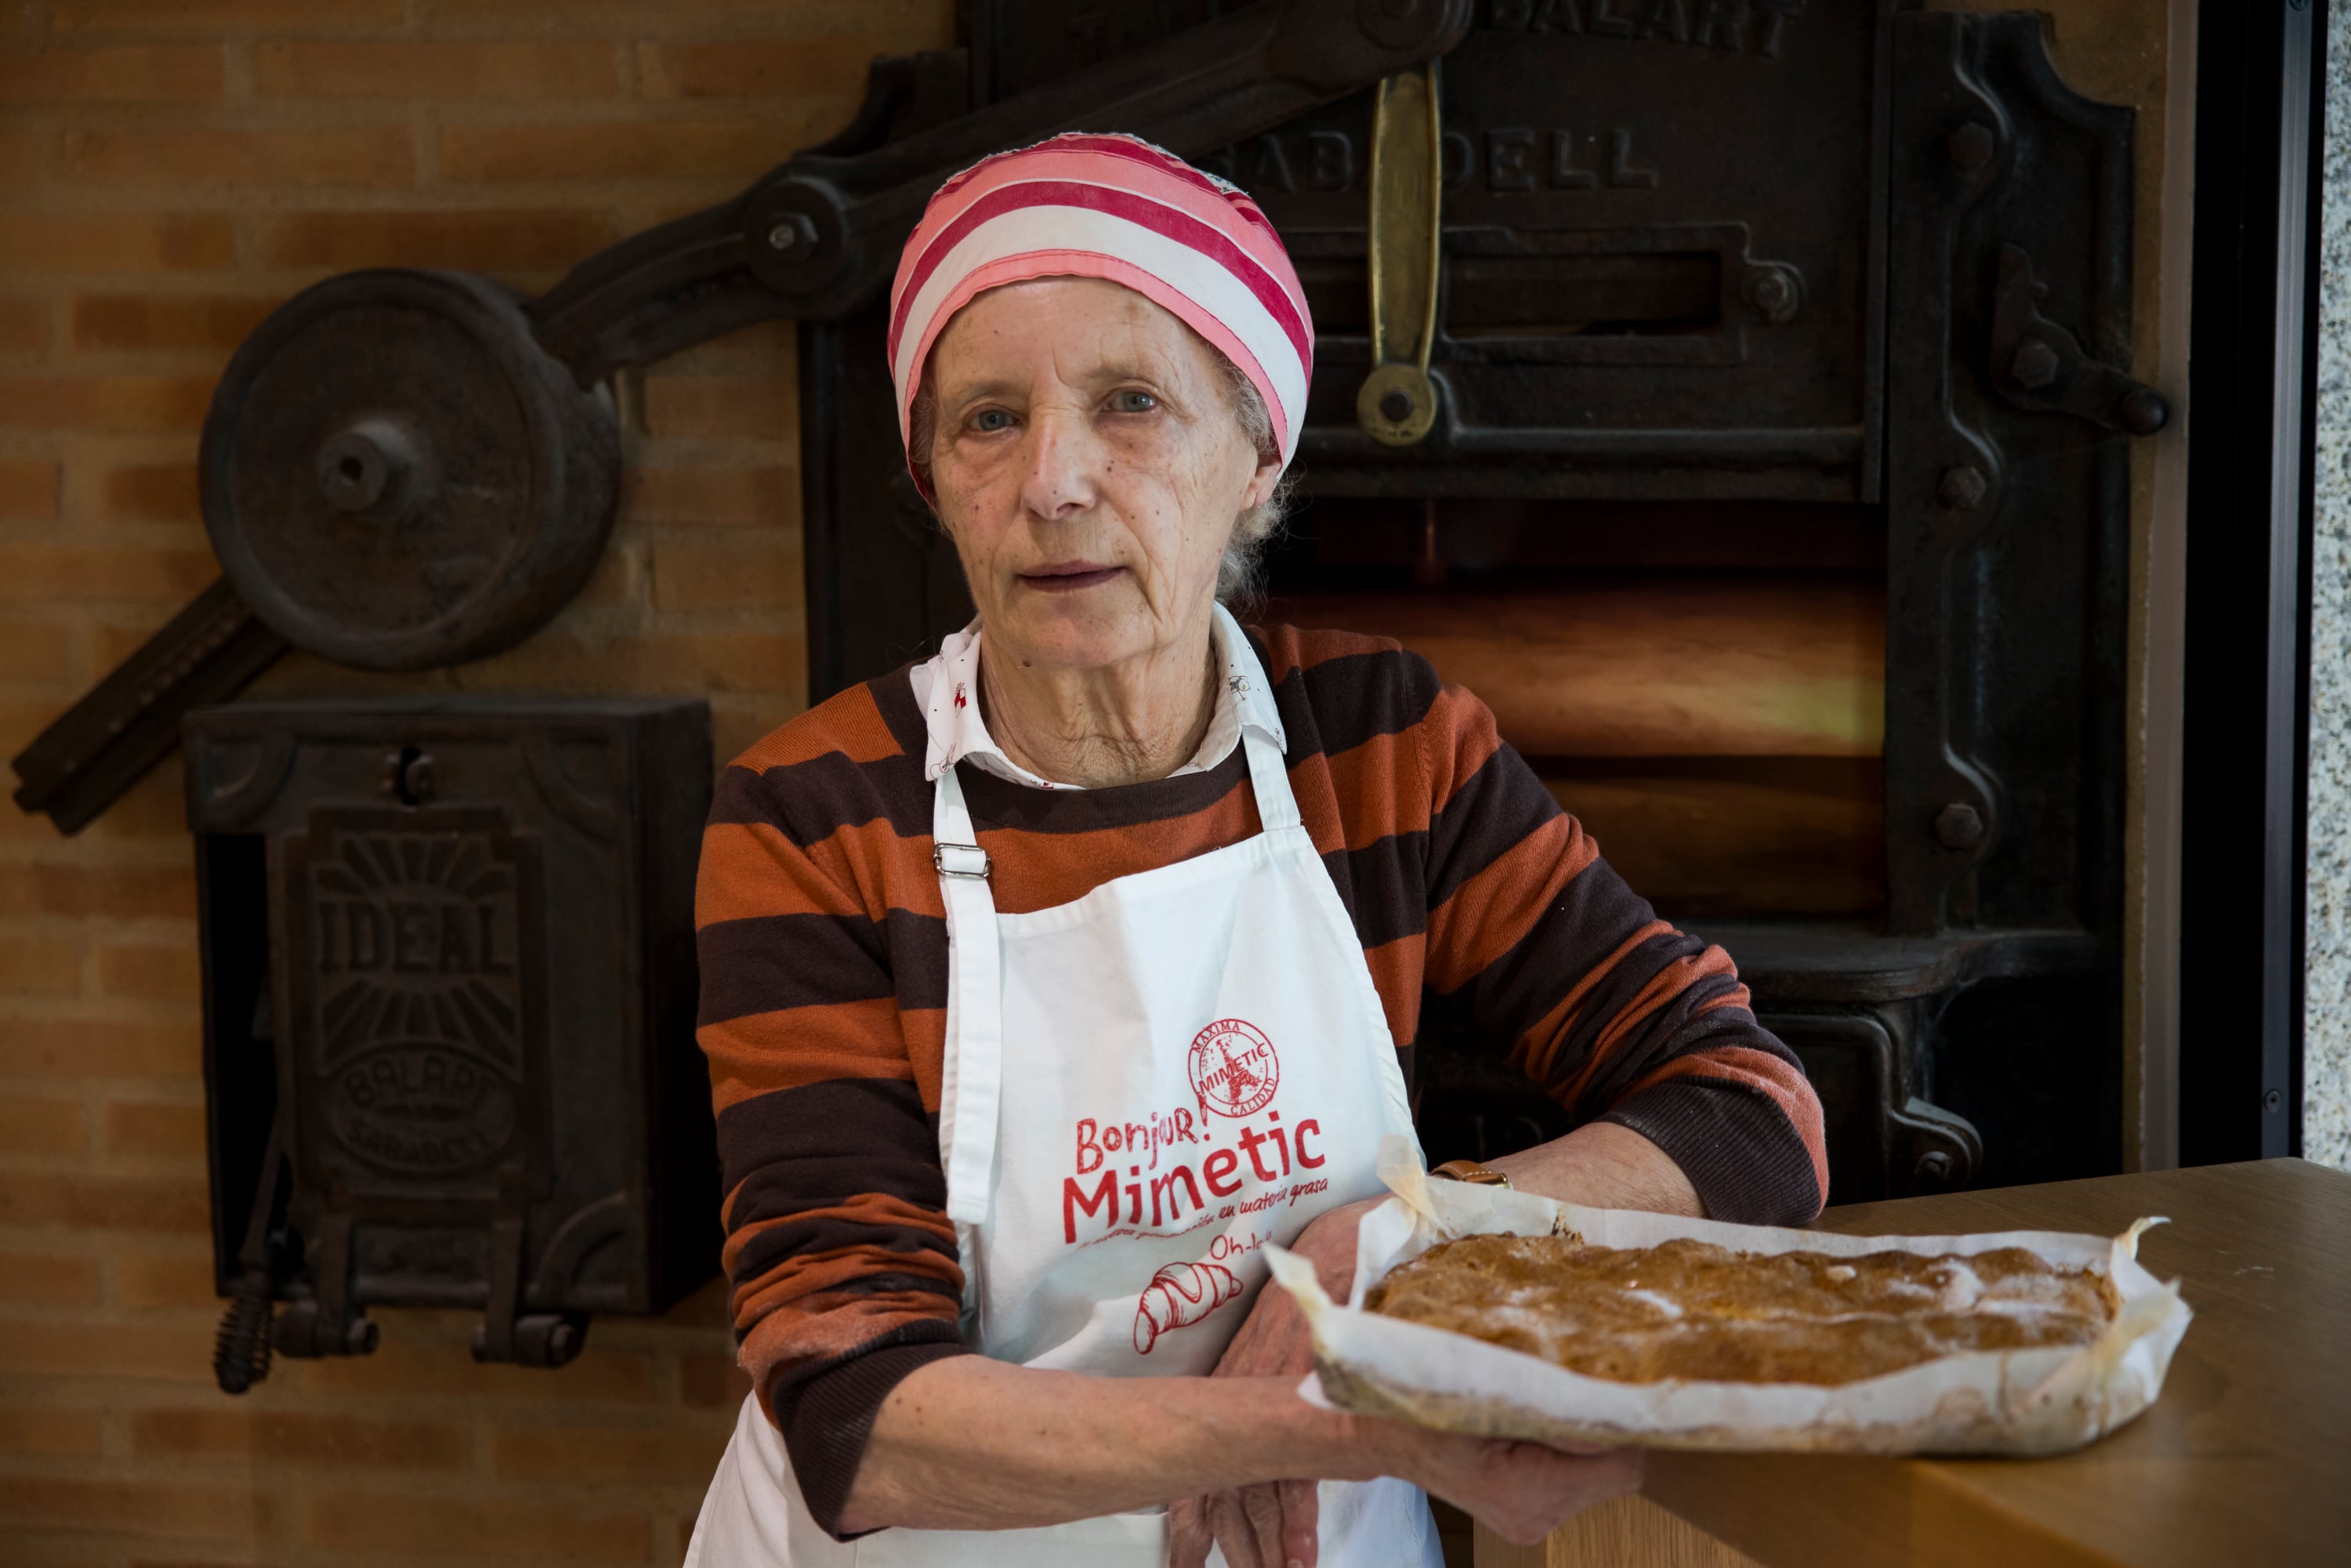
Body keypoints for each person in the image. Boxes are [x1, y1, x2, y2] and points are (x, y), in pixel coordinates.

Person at [686, 133, 1827, 1567]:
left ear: (1255, 462)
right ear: (933, 480)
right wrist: (1328, 1428)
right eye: (988, 419)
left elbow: (1753, 1115)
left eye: (1131, 403)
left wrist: (1401, 1243)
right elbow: (859, 1414)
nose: (1053, 481)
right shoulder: (817, 818)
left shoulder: (1385, 746)